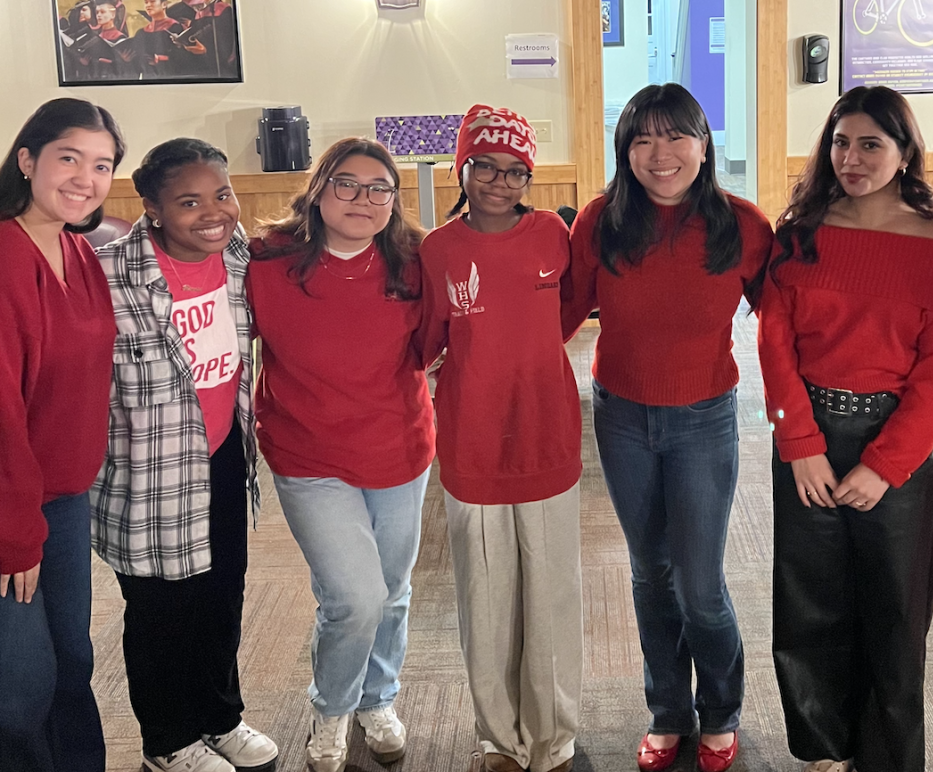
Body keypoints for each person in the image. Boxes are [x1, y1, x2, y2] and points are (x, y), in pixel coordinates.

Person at [561, 82, 774, 772]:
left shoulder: (741, 225)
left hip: (704, 420)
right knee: (650, 574)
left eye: (675, 135)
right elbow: (557, 318)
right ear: (624, 149)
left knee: (700, 585)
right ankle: (668, 712)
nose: (660, 153)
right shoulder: (600, 221)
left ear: (704, 145)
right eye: (642, 138)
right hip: (621, 416)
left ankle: (721, 710)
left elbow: (791, 323)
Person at [757, 86, 933, 772]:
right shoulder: (800, 234)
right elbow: (774, 347)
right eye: (840, 142)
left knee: (896, 613)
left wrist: (886, 465)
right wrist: (800, 446)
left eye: (871, 144)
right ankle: (823, 751)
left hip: (894, 449)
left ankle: (887, 757)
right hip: (809, 438)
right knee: (810, 602)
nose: (851, 157)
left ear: (905, 154)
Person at [91, 138, 278, 772]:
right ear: (152, 208)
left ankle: (220, 719)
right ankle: (167, 743)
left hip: (224, 454)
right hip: (148, 471)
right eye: (188, 201)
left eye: (221, 194)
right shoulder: (109, 274)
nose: (211, 212)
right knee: (162, 613)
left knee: (223, 594)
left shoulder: (236, 255)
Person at [249, 137, 434, 772]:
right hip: (308, 453)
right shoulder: (266, 260)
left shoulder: (414, 264)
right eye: (347, 184)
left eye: (379, 188)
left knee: (393, 588)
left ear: (394, 201)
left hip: (400, 447)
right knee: (354, 597)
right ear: (319, 188)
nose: (362, 198)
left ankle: (377, 698)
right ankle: (333, 707)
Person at [419, 104, 583, 772]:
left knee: (552, 591)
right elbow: (427, 341)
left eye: (515, 171)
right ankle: (498, 738)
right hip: (472, 441)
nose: (498, 181)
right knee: (485, 595)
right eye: (484, 166)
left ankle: (554, 735)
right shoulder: (438, 249)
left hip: (548, 435)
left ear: (529, 177)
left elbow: (569, 312)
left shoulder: (553, 235)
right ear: (463, 167)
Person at [0, 96, 123, 772]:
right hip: (9, 506)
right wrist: (16, 532)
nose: (85, 177)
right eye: (69, 158)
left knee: (73, 661)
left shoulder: (80, 252)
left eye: (101, 165)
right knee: (20, 689)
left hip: (65, 499)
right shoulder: (6, 257)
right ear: (27, 159)